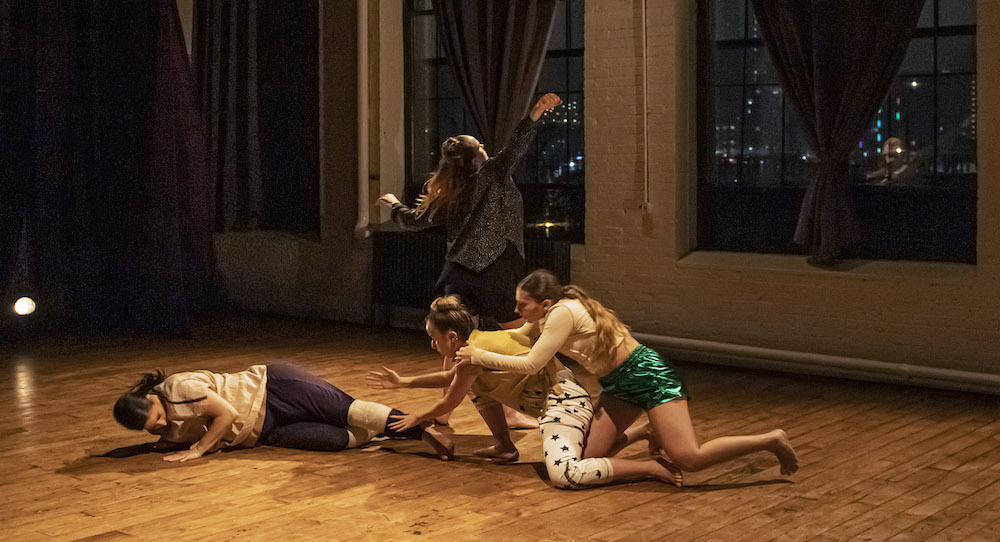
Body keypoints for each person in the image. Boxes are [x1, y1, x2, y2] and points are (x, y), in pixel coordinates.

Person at [455, 270, 800, 478]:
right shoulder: (546, 318)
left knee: (688, 458)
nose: (516, 310)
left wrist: (478, 354)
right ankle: (647, 430)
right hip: (618, 384)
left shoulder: (562, 313)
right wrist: (474, 341)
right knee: (587, 460)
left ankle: (771, 440)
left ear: (544, 304)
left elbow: (531, 363)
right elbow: (515, 339)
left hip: (649, 376)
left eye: (522, 305)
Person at [378, 92, 563, 429]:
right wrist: (535, 112)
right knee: (521, 341)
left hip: (458, 274)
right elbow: (516, 147)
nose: (484, 147)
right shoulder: (492, 173)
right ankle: (512, 411)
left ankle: (443, 417)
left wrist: (393, 204)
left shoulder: (451, 190)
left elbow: (414, 221)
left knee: (457, 348)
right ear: (478, 157)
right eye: (479, 145)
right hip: (496, 272)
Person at [367, 295, 684, 489]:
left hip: (564, 403)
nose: (432, 345)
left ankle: (652, 467)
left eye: (434, 339)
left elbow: (449, 399)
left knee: (567, 474)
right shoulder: (477, 344)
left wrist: (415, 418)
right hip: (564, 400)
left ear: (452, 337)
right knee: (479, 388)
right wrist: (403, 382)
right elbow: (451, 378)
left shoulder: (472, 356)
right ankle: (504, 445)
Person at [113, 361, 453, 462]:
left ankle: (420, 430)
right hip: (266, 431)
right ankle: (388, 429)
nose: (162, 424)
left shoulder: (178, 388)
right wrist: (163, 440)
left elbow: (227, 415)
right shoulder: (164, 426)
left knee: (348, 411)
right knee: (339, 439)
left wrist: (198, 450)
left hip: (274, 387)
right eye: (152, 427)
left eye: (158, 415)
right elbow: (177, 434)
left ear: (153, 398)